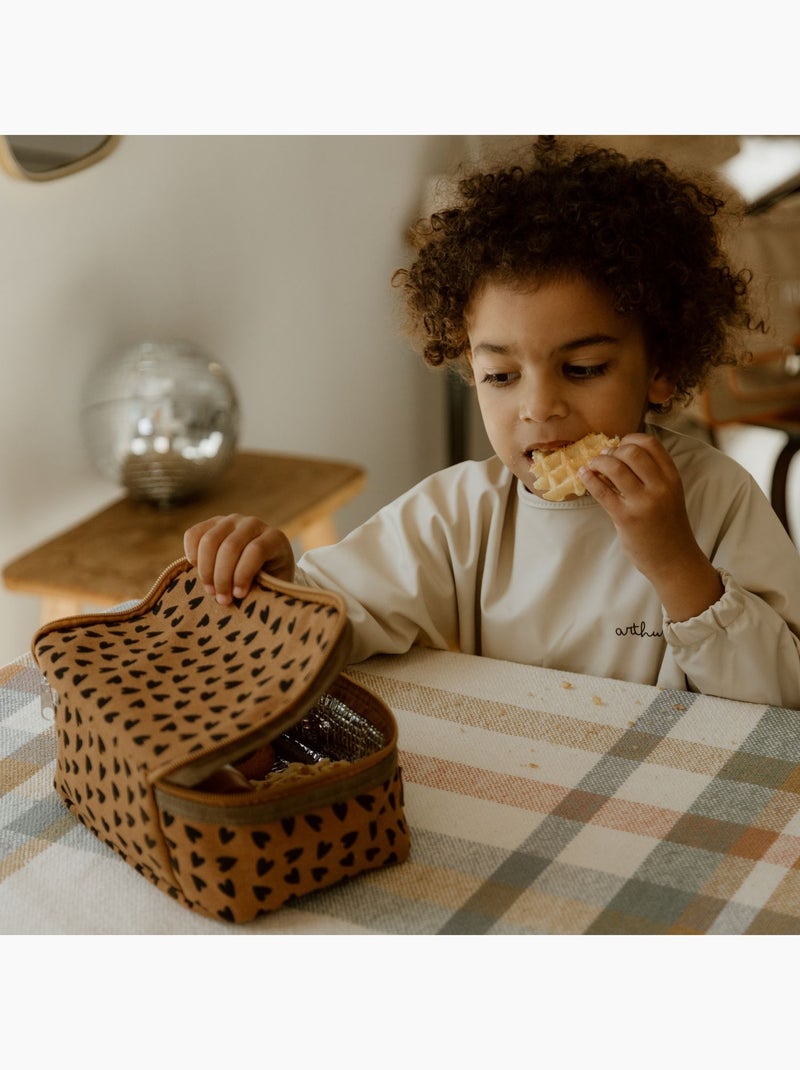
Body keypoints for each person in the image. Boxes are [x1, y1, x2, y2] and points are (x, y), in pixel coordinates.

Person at [184, 137, 800, 709]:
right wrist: (270, 576)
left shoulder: (716, 499)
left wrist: (676, 567)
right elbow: (329, 621)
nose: (539, 407)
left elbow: (782, 701)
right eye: (502, 377)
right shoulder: (458, 515)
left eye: (583, 368)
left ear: (660, 368)